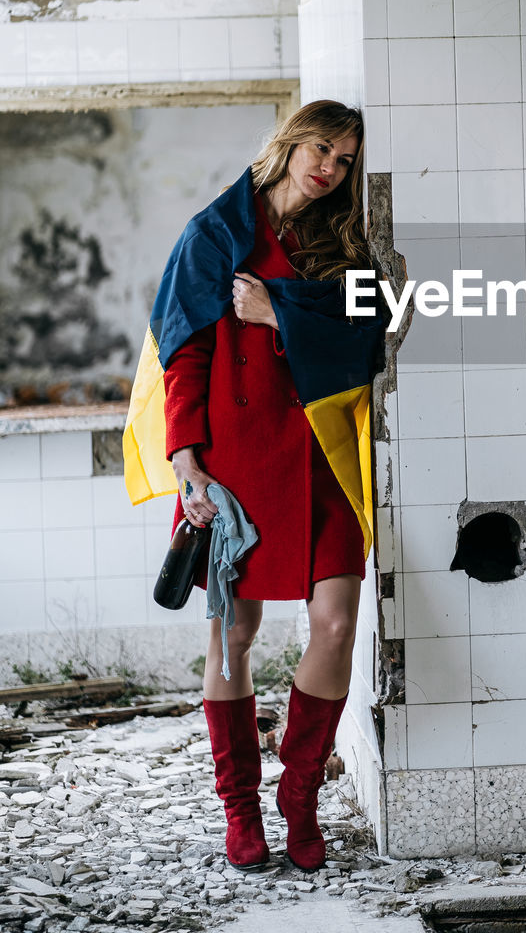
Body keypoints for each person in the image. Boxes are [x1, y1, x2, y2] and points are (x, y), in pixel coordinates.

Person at [160, 99, 375, 874]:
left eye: (346, 159)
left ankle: (301, 796)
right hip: (237, 460)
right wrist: (187, 460)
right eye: (321, 147)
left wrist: (278, 309)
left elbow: (370, 330)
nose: (330, 167)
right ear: (289, 143)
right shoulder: (216, 235)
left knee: (338, 624)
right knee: (234, 634)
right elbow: (181, 351)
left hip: (322, 454)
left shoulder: (344, 241)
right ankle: (241, 805)